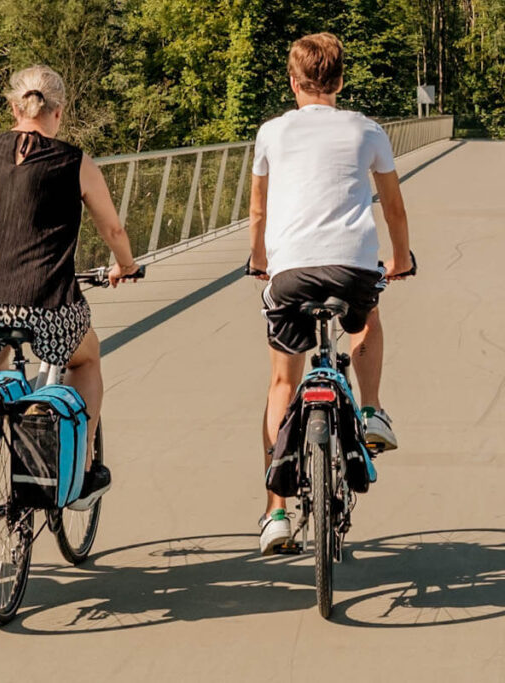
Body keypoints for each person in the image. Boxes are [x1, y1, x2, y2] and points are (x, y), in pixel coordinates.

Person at [0, 65, 141, 512]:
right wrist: (125, 265)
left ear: (14, 107)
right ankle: (83, 467)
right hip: (43, 302)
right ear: (59, 112)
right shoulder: (75, 161)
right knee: (85, 358)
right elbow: (111, 227)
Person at [248, 33, 411, 554]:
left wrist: (260, 262)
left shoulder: (271, 133)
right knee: (365, 317)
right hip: (353, 268)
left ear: (293, 82)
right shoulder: (368, 130)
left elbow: (258, 211)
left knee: (281, 383)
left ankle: (275, 513)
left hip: (291, 273)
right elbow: (394, 208)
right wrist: (401, 260)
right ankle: (372, 409)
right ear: (340, 81)